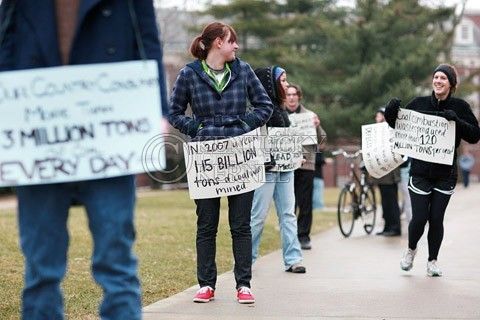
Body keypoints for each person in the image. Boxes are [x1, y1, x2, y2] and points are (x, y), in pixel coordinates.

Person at [0, 1, 168, 319]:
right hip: (36, 132)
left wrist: (157, 109)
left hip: (111, 132)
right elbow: (4, 43)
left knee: (117, 262)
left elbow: (148, 42)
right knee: (41, 268)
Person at [168, 22, 273, 304]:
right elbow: (174, 112)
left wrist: (242, 124)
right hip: (205, 159)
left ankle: (244, 284)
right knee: (207, 225)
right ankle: (206, 284)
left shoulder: (244, 70)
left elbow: (265, 106)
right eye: (231, 41)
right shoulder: (189, 74)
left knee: (241, 225)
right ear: (217, 43)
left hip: (240, 156)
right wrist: (198, 128)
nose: (236, 46)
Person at [385, 64, 480, 276]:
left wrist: (457, 120)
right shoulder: (419, 103)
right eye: (436, 77)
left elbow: (475, 134)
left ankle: (432, 261)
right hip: (420, 172)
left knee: (436, 219)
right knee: (419, 218)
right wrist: (391, 112)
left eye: (443, 78)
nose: (438, 81)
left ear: (451, 84)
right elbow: (399, 127)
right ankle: (411, 250)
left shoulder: (460, 106)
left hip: (445, 174)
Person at [250, 66, 306, 274]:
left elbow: (287, 139)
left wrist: (295, 154)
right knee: (258, 216)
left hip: (285, 169)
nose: (286, 84)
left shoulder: (282, 110)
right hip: (267, 169)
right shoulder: (259, 110)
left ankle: (293, 259)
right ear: (270, 83)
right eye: (282, 80)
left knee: (288, 214)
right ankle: (247, 259)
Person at [285, 84, 326, 250]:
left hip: (306, 165)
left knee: (305, 202)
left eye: (294, 94)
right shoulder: (280, 115)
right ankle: (289, 236)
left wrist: (317, 127)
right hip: (287, 164)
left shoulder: (310, 116)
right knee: (288, 203)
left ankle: (303, 236)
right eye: (288, 94)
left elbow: (322, 143)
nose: (292, 97)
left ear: (299, 97)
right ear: (285, 97)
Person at [371, 107, 402, 237]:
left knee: (391, 201)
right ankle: (387, 226)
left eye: (381, 116)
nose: (378, 118)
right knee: (384, 202)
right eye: (378, 116)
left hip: (390, 174)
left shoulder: (392, 131)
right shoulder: (375, 132)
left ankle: (395, 227)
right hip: (381, 174)